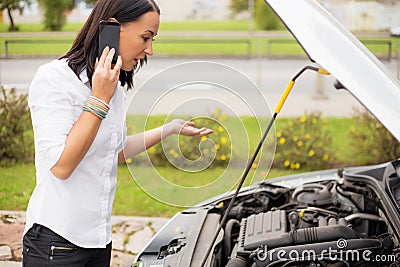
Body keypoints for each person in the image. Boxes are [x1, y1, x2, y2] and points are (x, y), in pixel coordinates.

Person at [22, 0, 213, 266]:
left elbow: (115, 151)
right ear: (111, 28)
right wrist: (100, 99)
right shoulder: (55, 80)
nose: (150, 50)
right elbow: (61, 166)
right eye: (145, 37)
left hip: (99, 240)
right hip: (57, 242)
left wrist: (169, 129)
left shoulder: (114, 86)